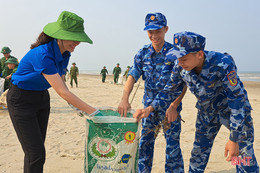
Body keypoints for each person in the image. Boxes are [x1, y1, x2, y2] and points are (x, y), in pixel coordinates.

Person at [134, 31, 259, 172]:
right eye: (177, 58)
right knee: (198, 156)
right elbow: (169, 90)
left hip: (234, 114)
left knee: (243, 156)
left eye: (184, 59)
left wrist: (234, 138)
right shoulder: (180, 66)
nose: (180, 63)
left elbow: (237, 101)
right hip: (207, 113)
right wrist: (149, 108)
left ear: (199, 54)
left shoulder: (222, 63)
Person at [7, 11, 102, 173]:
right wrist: (96, 113)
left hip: (42, 98)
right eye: (74, 37)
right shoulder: (42, 54)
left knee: (37, 150)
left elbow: (61, 81)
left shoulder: (65, 53)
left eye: (80, 38)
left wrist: (74, 105)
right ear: (61, 36)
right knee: (35, 153)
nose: (78, 42)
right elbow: (62, 92)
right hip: (21, 100)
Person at [118, 13, 187, 173]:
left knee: (172, 149)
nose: (154, 36)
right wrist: (124, 99)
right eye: (150, 32)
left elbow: (183, 84)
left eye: (158, 31)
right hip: (148, 110)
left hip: (170, 109)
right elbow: (132, 75)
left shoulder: (175, 53)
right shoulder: (143, 53)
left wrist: (174, 105)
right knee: (144, 147)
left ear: (165, 29)